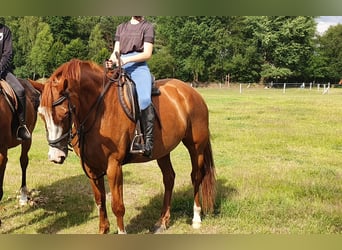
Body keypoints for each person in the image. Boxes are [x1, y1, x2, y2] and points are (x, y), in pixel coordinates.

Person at [106, 16, 155, 158]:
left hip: (139, 67)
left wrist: (126, 59)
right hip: (121, 66)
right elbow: (116, 51)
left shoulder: (147, 27)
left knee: (144, 99)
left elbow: (147, 53)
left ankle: (147, 142)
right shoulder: (121, 27)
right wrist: (111, 61)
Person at [0, 23, 31, 140]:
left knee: (20, 90)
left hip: (3, 71)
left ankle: (21, 126)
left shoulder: (5, 31)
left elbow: (7, 53)